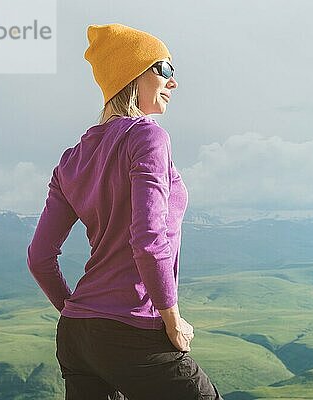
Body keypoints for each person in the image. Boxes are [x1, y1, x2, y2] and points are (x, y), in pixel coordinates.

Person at [26, 23, 223, 399]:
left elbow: (39, 258)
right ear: (133, 75)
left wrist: (75, 310)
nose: (173, 82)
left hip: (76, 336)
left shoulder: (72, 161)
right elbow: (148, 240)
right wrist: (173, 319)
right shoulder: (147, 136)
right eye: (164, 69)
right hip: (134, 330)